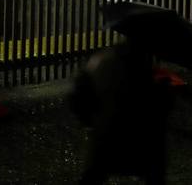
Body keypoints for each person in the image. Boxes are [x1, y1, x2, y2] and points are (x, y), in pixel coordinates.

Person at [70, 40, 173, 184]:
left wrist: (90, 122)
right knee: (154, 172)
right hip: (140, 142)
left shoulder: (102, 61)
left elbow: (80, 96)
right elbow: (160, 110)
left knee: (94, 174)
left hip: (104, 136)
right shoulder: (145, 73)